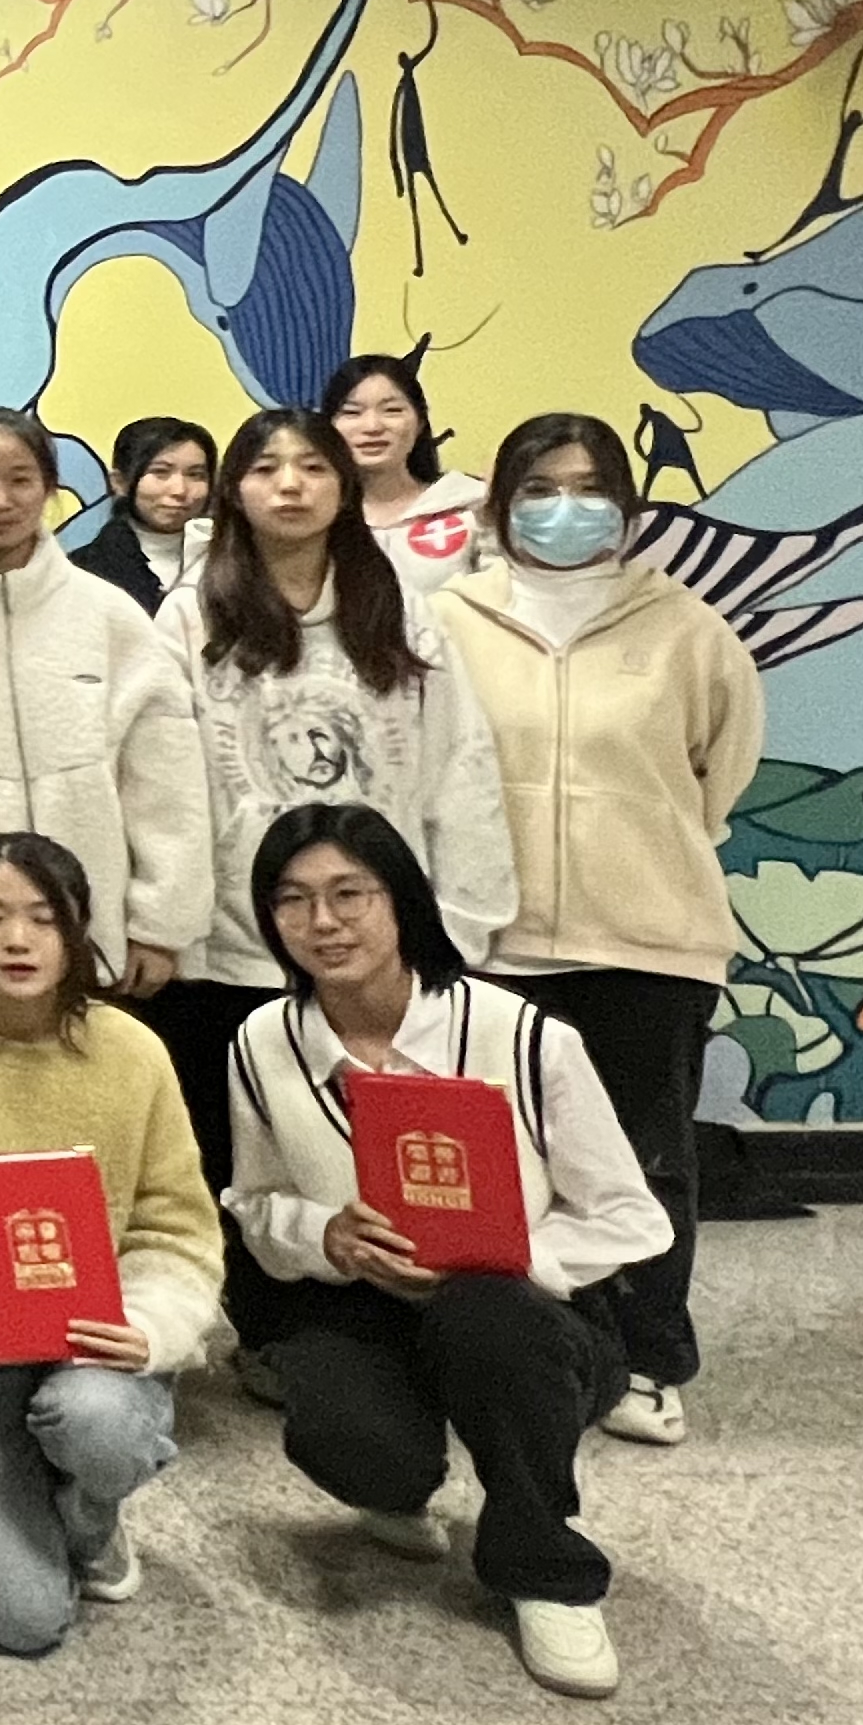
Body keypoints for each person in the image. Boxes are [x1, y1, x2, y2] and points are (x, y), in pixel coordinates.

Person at [224, 803, 670, 1697]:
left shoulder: (522, 1036)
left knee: (485, 1317)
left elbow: (631, 1216)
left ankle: (543, 1569)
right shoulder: (263, 1042)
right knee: (343, 1439)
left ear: (402, 901)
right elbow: (257, 1204)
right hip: (362, 1304)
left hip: (523, 1315)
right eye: (292, 900)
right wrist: (325, 1236)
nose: (322, 922)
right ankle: (395, 1488)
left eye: (349, 894)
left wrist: (507, 1254)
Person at [153, 408, 516, 1385]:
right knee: (241, 1149)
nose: (289, 485)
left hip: (374, 938)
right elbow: (161, 782)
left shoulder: (397, 608)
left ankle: (388, 1332)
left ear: (343, 487)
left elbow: (457, 765)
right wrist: (167, 918)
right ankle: (270, 1336)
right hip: (231, 940)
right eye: (265, 467)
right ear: (234, 491)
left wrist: (462, 920)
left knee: (366, 1145)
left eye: (312, 466)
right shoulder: (190, 614)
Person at [432, 412, 762, 1448]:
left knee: (644, 1162)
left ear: (624, 504)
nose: (563, 508)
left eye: (587, 488)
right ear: (500, 505)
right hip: (490, 943)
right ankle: (526, 1358)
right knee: (501, 1167)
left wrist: (635, 840)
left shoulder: (687, 630)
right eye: (539, 488)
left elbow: (719, 773)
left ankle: (648, 1358)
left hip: (647, 938)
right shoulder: (446, 621)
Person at [0, 832, 221, 1655]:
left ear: (76, 929)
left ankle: (90, 1512)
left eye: (41, 918)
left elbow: (178, 1226)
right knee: (19, 1621)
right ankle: (13, 1492)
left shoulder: (131, 1051)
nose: (16, 939)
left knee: (93, 1419)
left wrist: (146, 1326)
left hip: (97, 1345)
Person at [0, 407, 208, 1007]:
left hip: (95, 936)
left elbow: (166, 782)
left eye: (20, 479)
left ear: (50, 488)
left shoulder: (111, 617)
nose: (0, 500)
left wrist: (161, 922)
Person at [324, 353, 492, 593]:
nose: (372, 426)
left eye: (392, 410)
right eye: (352, 412)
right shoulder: (317, 519)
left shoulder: (473, 507)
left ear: (420, 423)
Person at [69, 416, 219, 613]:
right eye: (161, 472)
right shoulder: (81, 572)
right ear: (119, 482)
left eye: (195, 475)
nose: (180, 490)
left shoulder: (237, 561)